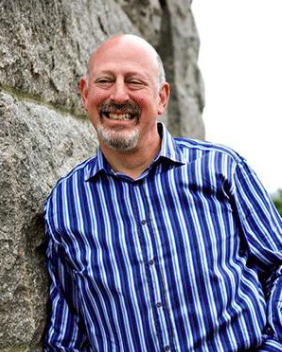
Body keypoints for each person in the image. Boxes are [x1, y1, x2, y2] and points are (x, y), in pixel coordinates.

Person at [44, 34, 282, 352]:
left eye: (134, 82)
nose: (117, 94)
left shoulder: (223, 170)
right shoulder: (65, 204)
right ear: (85, 94)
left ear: (162, 98)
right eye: (105, 80)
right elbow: (67, 333)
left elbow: (277, 265)